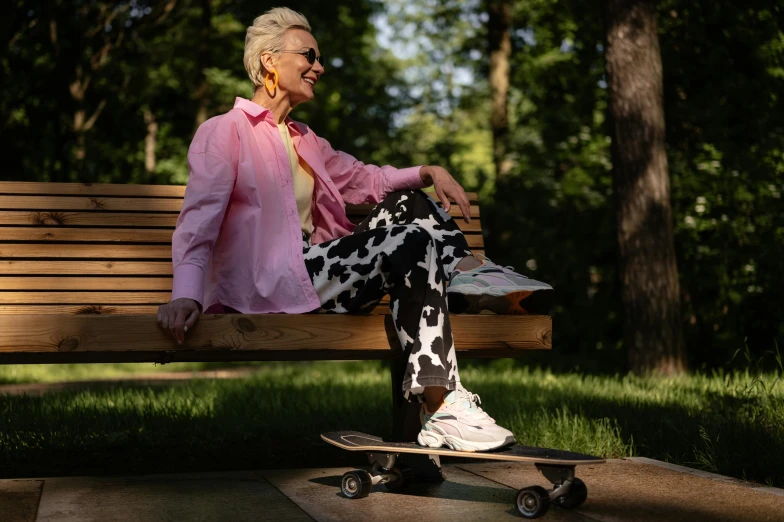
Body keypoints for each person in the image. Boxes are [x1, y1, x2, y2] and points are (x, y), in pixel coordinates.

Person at [156, 7, 552, 452]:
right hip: (271, 282)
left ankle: (471, 278)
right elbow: (199, 218)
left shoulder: (306, 140)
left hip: (321, 270)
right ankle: (442, 406)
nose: (319, 67)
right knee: (411, 241)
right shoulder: (224, 132)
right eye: (309, 55)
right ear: (269, 61)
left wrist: (428, 169)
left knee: (410, 204)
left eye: (319, 58)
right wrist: (185, 294)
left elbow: (368, 180)